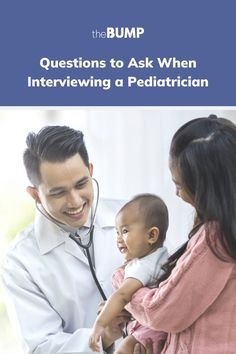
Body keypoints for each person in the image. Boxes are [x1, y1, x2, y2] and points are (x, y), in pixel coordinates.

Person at [2, 125, 131, 354]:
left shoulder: (129, 214)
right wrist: (103, 335)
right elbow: (41, 347)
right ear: (35, 195)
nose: (74, 202)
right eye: (58, 192)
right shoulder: (20, 261)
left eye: (81, 184)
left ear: (90, 172)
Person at [113, 115, 236, 353]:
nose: (177, 194)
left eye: (179, 185)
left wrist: (123, 279)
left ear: (206, 187)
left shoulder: (216, 240)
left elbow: (163, 311)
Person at [89, 194, 169, 354]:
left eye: (125, 231)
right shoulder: (161, 255)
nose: (118, 239)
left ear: (152, 235)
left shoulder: (143, 266)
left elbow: (122, 295)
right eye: (117, 232)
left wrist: (99, 324)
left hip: (149, 331)